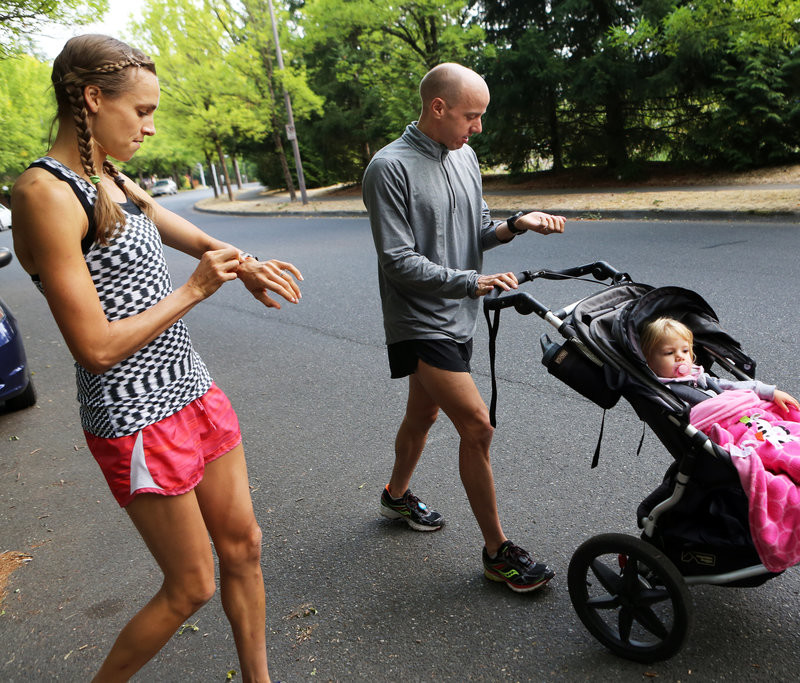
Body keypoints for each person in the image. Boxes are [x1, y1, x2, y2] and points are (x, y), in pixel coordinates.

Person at [10, 35, 302, 682]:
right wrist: (195, 289)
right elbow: (95, 347)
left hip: (192, 389)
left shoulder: (111, 176)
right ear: (93, 98)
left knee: (244, 547)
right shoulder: (45, 194)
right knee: (191, 584)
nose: (149, 127)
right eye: (141, 111)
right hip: (134, 414)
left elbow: (190, 235)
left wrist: (246, 263)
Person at [362, 62, 566, 593]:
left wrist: (515, 225)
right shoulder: (389, 168)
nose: (478, 128)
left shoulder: (464, 156)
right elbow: (397, 261)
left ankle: (395, 496)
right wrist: (470, 282)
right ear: (439, 107)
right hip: (418, 319)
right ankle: (498, 553)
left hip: (458, 313)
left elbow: (476, 231)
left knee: (423, 412)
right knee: (477, 426)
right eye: (471, 116)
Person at [640, 317, 800, 520]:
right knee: (787, 454)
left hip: (749, 418)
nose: (680, 357)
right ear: (649, 362)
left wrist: (769, 392)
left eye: (685, 350)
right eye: (669, 353)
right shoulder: (665, 391)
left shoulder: (699, 376)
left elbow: (733, 386)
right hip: (731, 431)